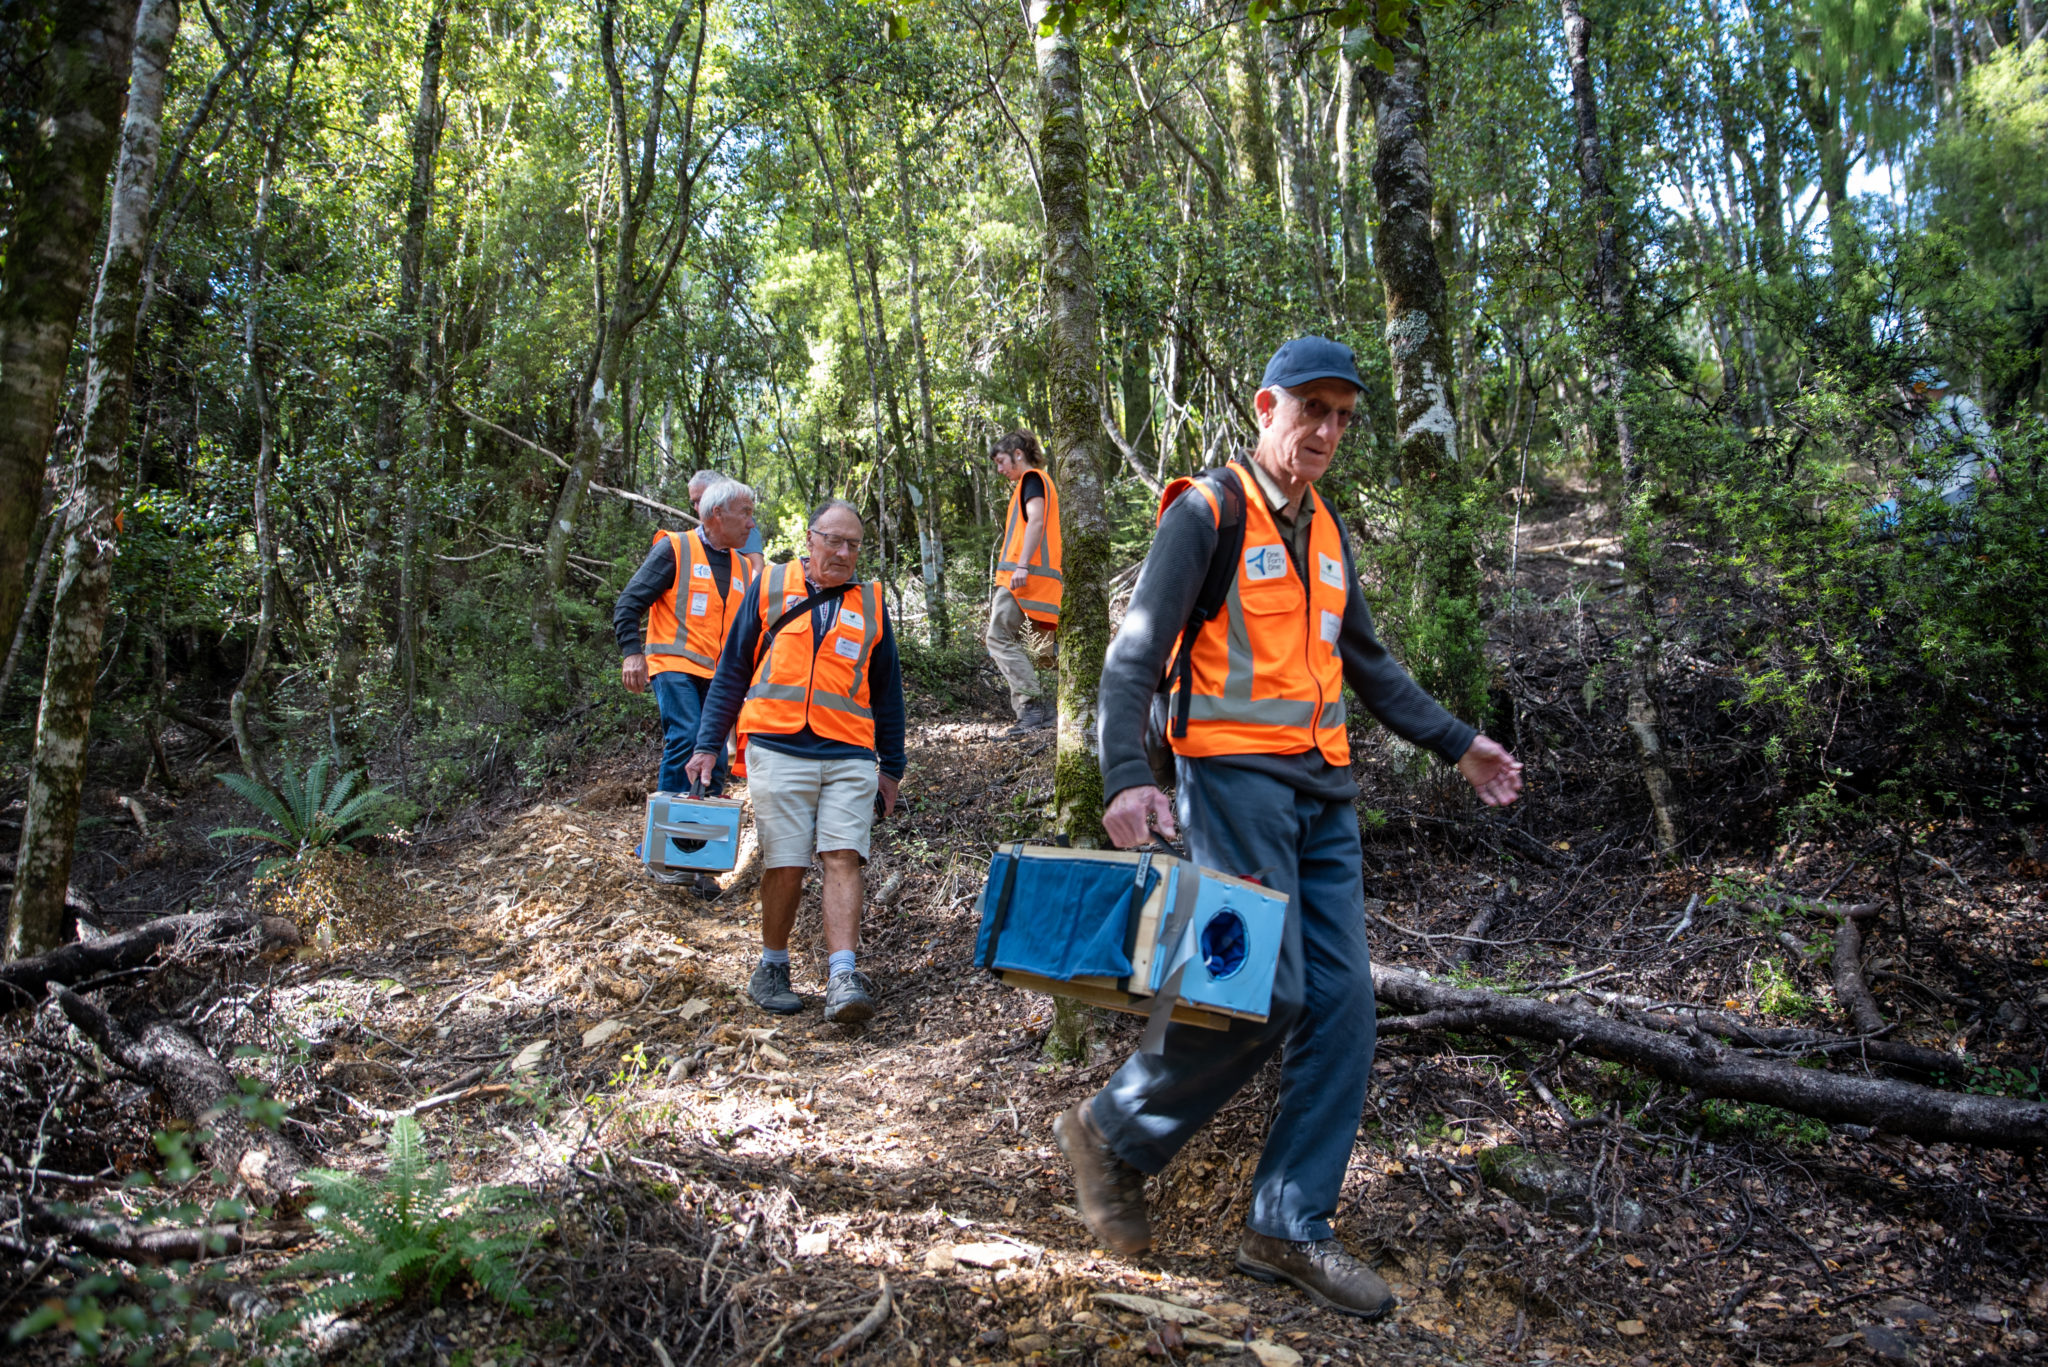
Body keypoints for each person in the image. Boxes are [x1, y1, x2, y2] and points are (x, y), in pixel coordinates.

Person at [1057, 336, 1524, 1319]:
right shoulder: (1206, 511)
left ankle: (1286, 1221)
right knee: (1263, 989)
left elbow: (1368, 662)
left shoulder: (1324, 529)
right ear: (1266, 406)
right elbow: (1132, 655)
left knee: (1343, 1004)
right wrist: (1124, 777)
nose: (1325, 432)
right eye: (1310, 409)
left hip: (1324, 794)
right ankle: (1112, 1131)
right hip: (1230, 786)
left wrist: (1458, 743)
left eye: (1342, 417)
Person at [686, 499, 906, 1024]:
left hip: (849, 752)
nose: (843, 552)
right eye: (833, 540)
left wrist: (891, 768)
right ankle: (773, 966)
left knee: (842, 855)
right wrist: (705, 746)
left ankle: (843, 975)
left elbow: (888, 693)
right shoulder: (768, 585)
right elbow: (732, 670)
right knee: (785, 863)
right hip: (777, 746)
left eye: (853, 544)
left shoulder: (872, 604)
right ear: (809, 540)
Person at [614, 479, 760, 889]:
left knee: (711, 750)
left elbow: (756, 629)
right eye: (745, 513)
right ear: (717, 514)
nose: (752, 522)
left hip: (721, 678)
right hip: (674, 664)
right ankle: (663, 852)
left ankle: (701, 860)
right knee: (689, 737)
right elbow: (629, 603)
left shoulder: (747, 567)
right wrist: (631, 652)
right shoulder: (674, 548)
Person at [985, 431, 1060, 736]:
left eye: (1001, 461)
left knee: (998, 636)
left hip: (1024, 580)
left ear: (1017, 453)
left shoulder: (1032, 479)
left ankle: (1032, 708)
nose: (1000, 469)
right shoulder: (1036, 482)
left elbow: (1037, 521)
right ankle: (1059, 708)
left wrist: (1022, 565)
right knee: (1043, 653)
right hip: (1041, 583)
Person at [690, 468, 766, 577]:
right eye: (694, 502)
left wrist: (750, 593)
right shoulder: (682, 544)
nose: (696, 507)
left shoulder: (741, 524)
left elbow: (757, 567)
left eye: (701, 499)